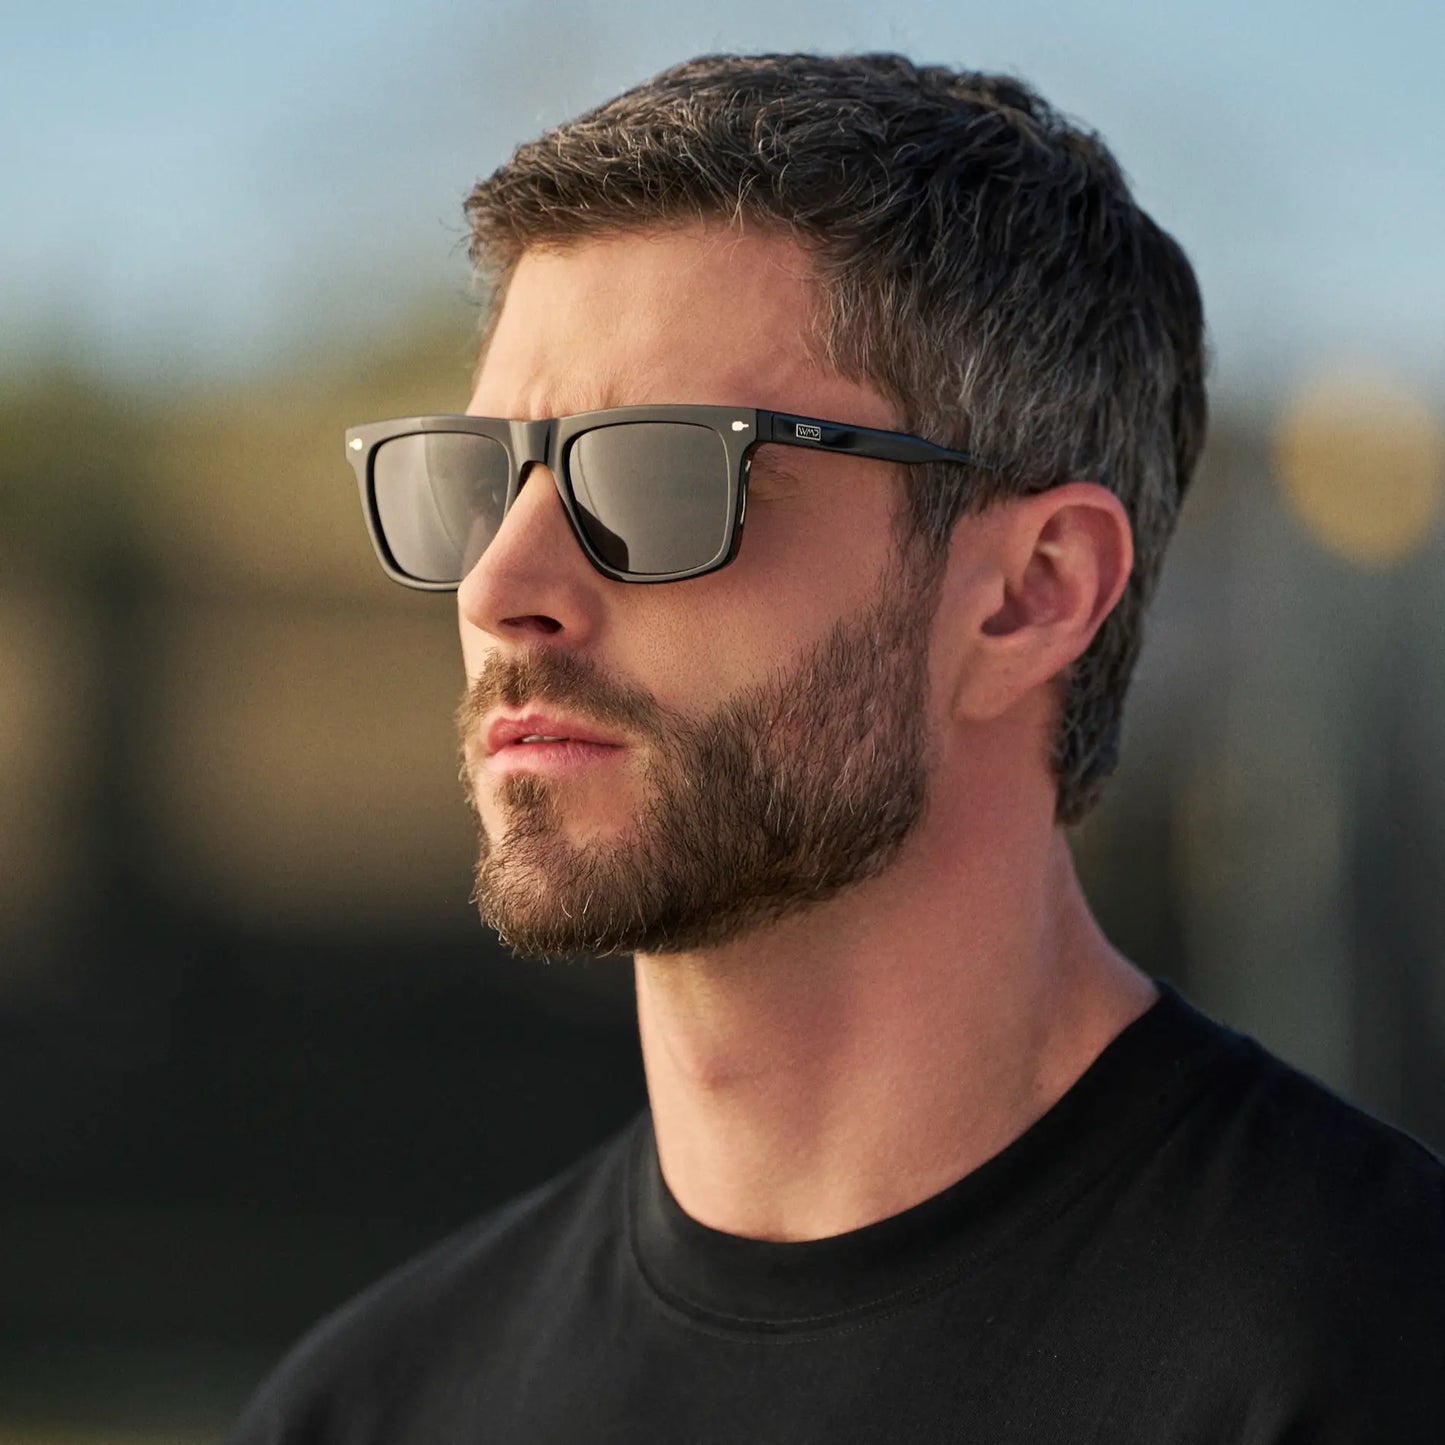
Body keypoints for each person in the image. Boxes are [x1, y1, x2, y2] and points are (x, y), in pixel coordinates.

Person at [231, 52, 1444, 1443]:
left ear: (1029, 591)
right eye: (479, 478)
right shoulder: (364, 1405)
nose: (503, 582)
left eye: (656, 472)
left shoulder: (1370, 1350)